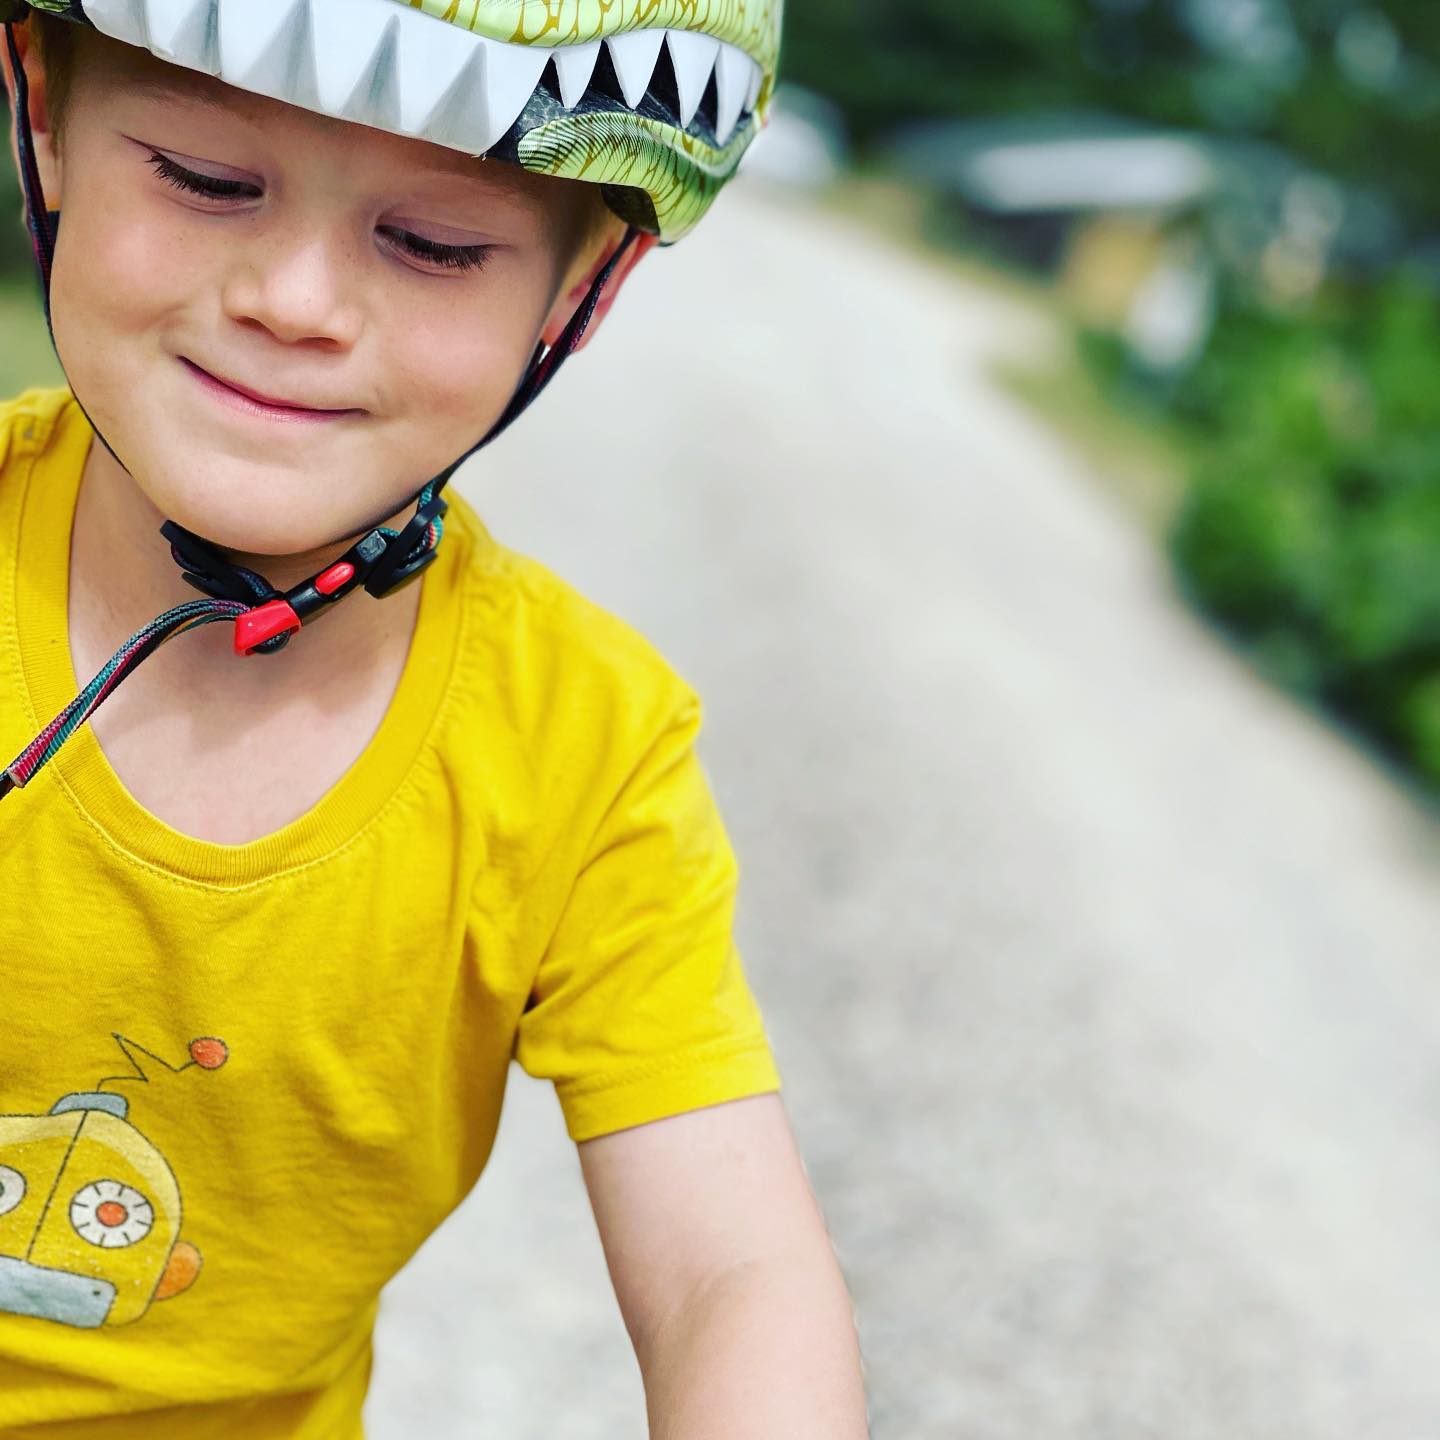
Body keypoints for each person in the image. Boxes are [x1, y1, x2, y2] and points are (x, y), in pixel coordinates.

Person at [0, 2, 869, 1435]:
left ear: (585, 286)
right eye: (207, 180)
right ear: (42, 114)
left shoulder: (584, 749)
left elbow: (734, 1274)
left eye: (434, 244)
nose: (296, 300)